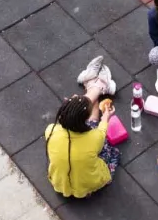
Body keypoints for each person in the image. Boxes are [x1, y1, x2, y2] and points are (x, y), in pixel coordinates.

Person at [45, 58, 118, 199]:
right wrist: (106, 118)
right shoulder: (94, 138)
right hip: (90, 183)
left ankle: (94, 85)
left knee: (89, 109)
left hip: (60, 184)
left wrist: (75, 106)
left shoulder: (51, 130)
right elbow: (101, 131)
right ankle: (96, 86)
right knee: (110, 151)